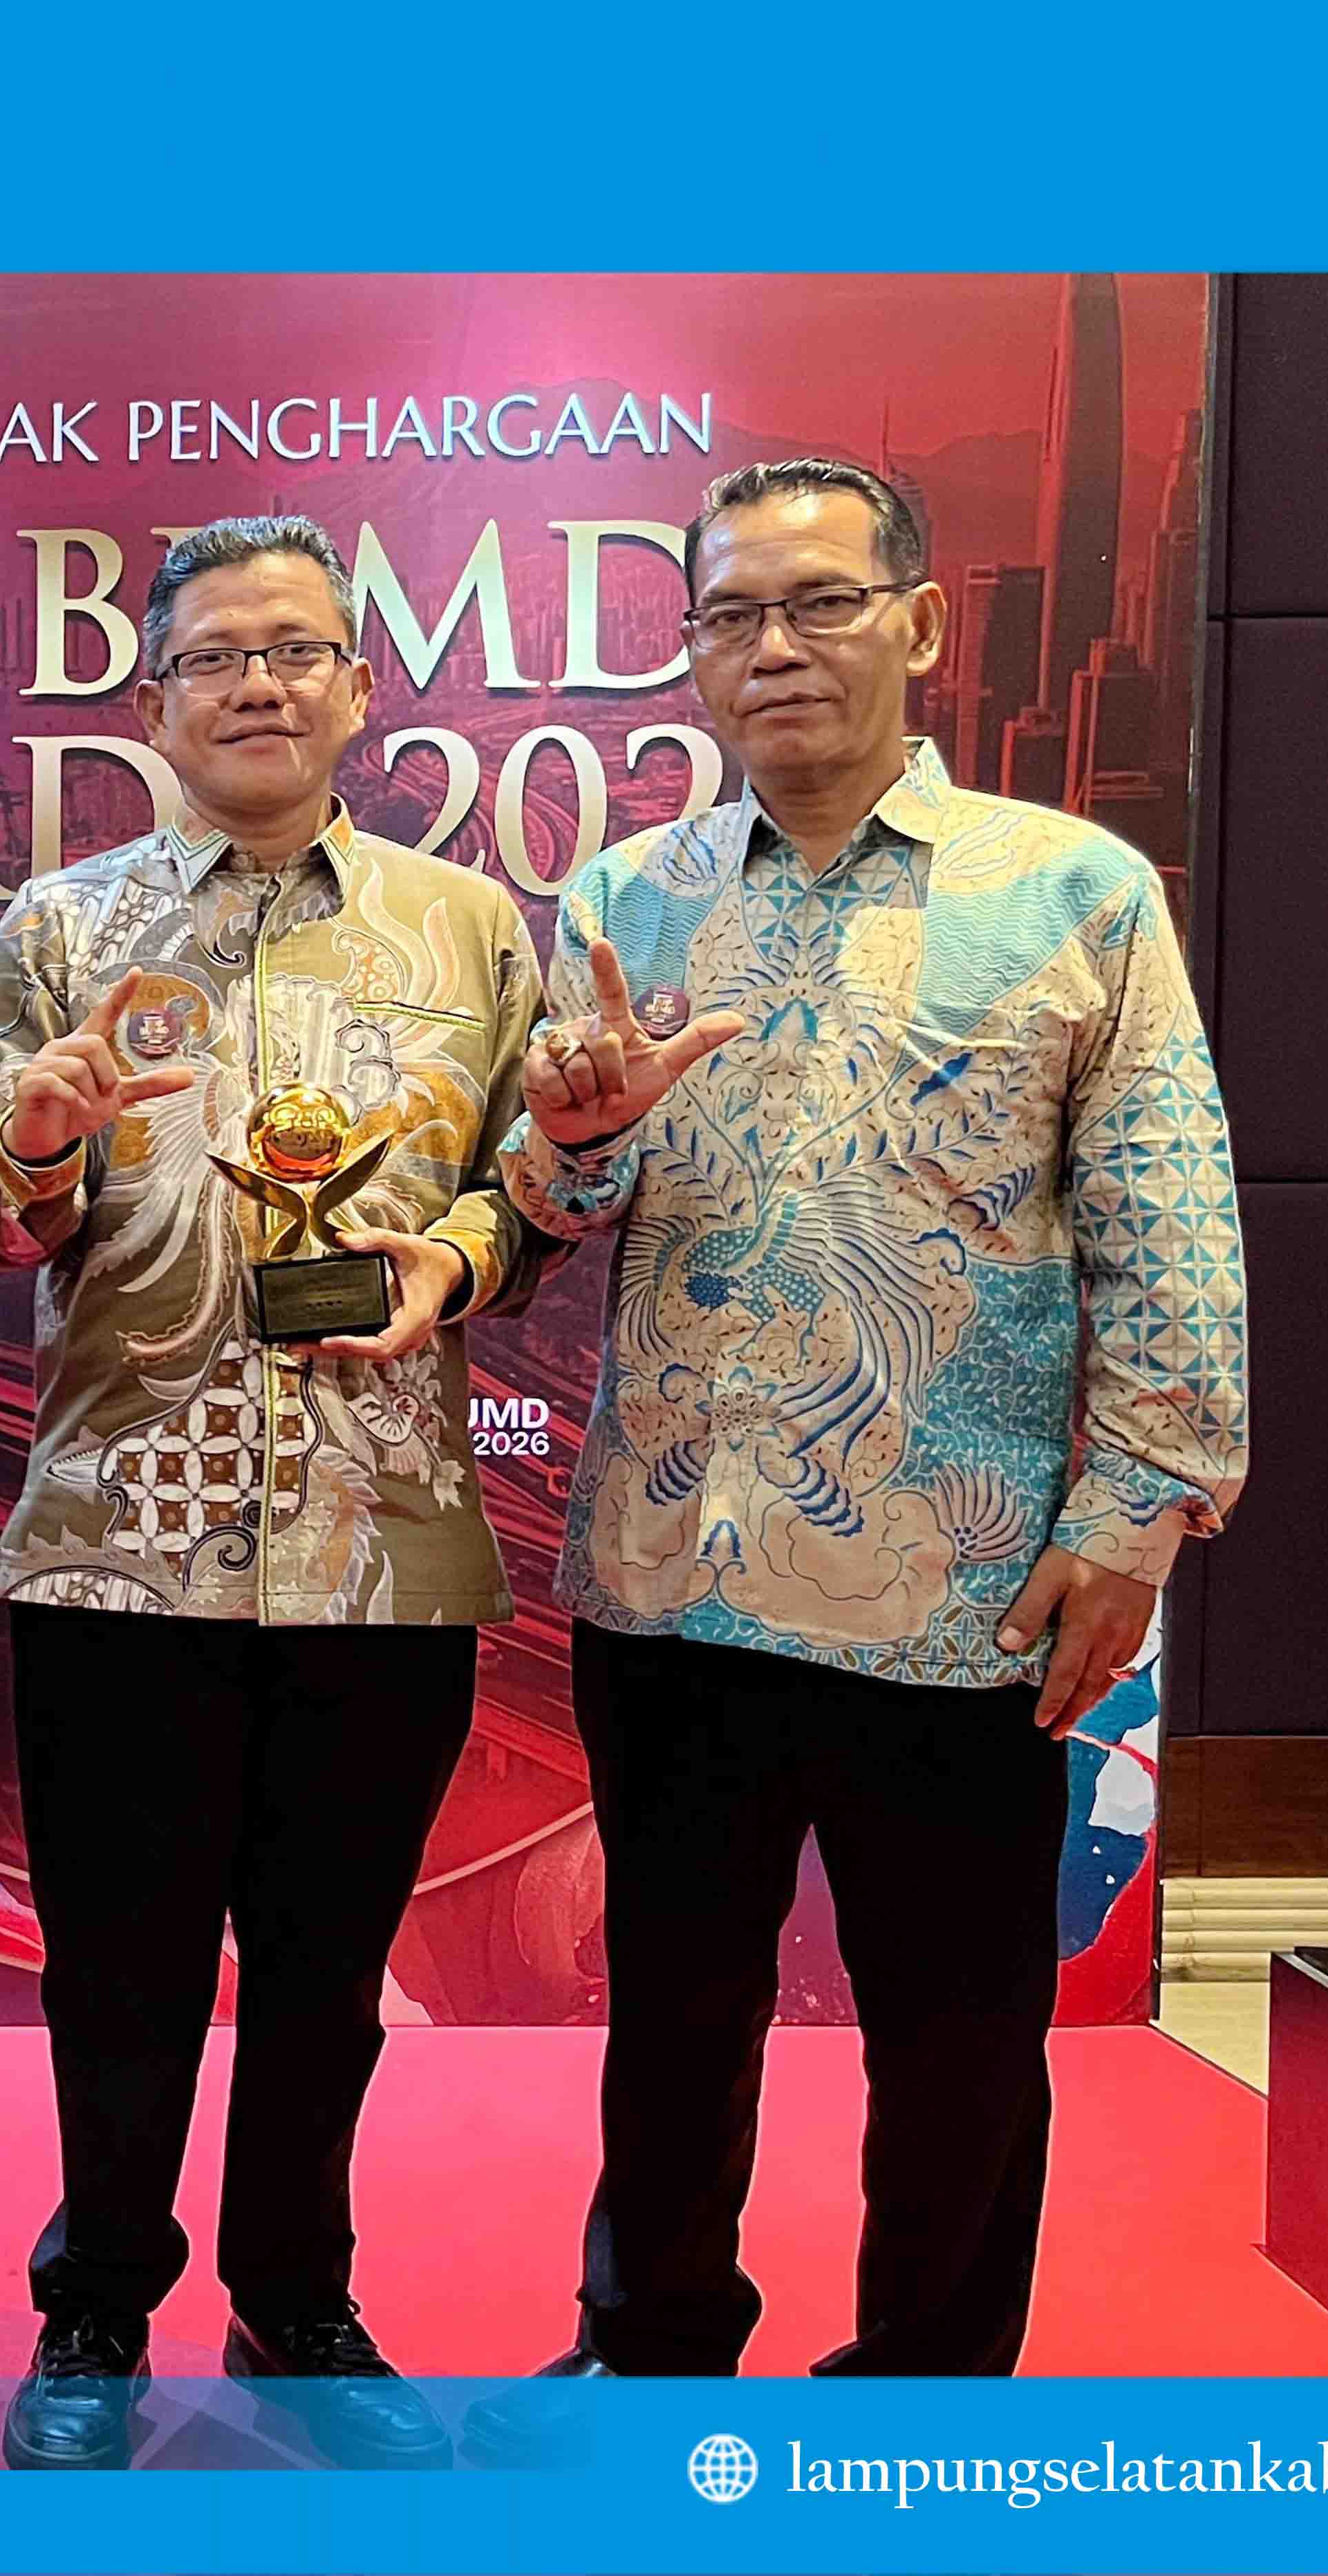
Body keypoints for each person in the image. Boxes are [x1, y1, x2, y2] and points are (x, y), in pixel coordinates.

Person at [494, 456, 1247, 2391]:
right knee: (675, 2014)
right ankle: (650, 2347)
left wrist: (1135, 1513)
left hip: (965, 1583)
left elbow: (1168, 1214)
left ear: (916, 622)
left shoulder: (1075, 892)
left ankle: (929, 2389)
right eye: (733, 615)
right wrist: (569, 1145)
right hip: (674, 1568)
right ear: (690, 656)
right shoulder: (625, 899)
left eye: (821, 602)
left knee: (962, 2032)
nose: (777, 648)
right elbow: (552, 1210)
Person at [0, 518, 543, 2472]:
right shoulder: (63, 929)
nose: (261, 685)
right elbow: (0, 1220)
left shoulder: (471, 929)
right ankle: (96, 2301)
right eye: (217, 655)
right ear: (157, 703)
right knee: (115, 1968)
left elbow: (529, 1193)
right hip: (120, 1538)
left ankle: (298, 2290)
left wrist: (456, 1257)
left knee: (326, 1969)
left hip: (385, 1538)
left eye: (297, 650)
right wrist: (39, 1155)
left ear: (362, 688)